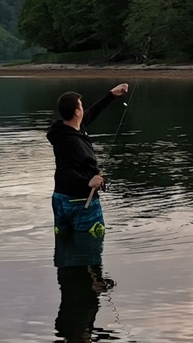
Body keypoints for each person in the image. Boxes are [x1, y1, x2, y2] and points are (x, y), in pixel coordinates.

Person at [48, 83, 131, 237]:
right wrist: (87, 182)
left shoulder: (67, 128)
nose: (84, 110)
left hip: (60, 199)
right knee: (92, 245)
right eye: (81, 106)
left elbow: (92, 113)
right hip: (79, 201)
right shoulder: (71, 142)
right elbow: (65, 171)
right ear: (77, 112)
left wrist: (112, 95)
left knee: (65, 249)